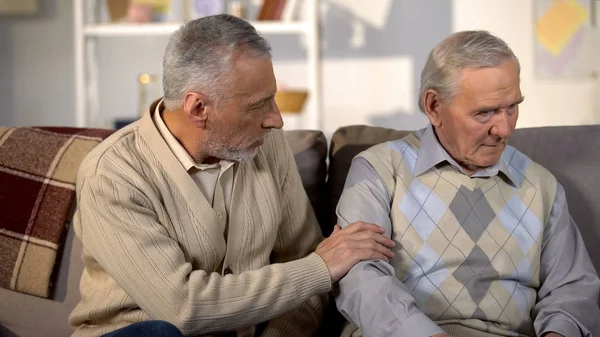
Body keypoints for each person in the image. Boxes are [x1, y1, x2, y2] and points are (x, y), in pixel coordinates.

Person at [69, 14, 395, 337]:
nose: (277, 120)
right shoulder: (113, 174)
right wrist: (321, 268)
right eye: (259, 105)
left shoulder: (268, 146)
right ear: (198, 108)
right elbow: (184, 308)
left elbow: (306, 283)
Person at [334, 30, 600, 337]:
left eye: (511, 107)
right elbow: (360, 278)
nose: (503, 129)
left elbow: (572, 288)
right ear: (434, 106)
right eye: (485, 112)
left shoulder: (541, 185)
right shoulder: (379, 170)